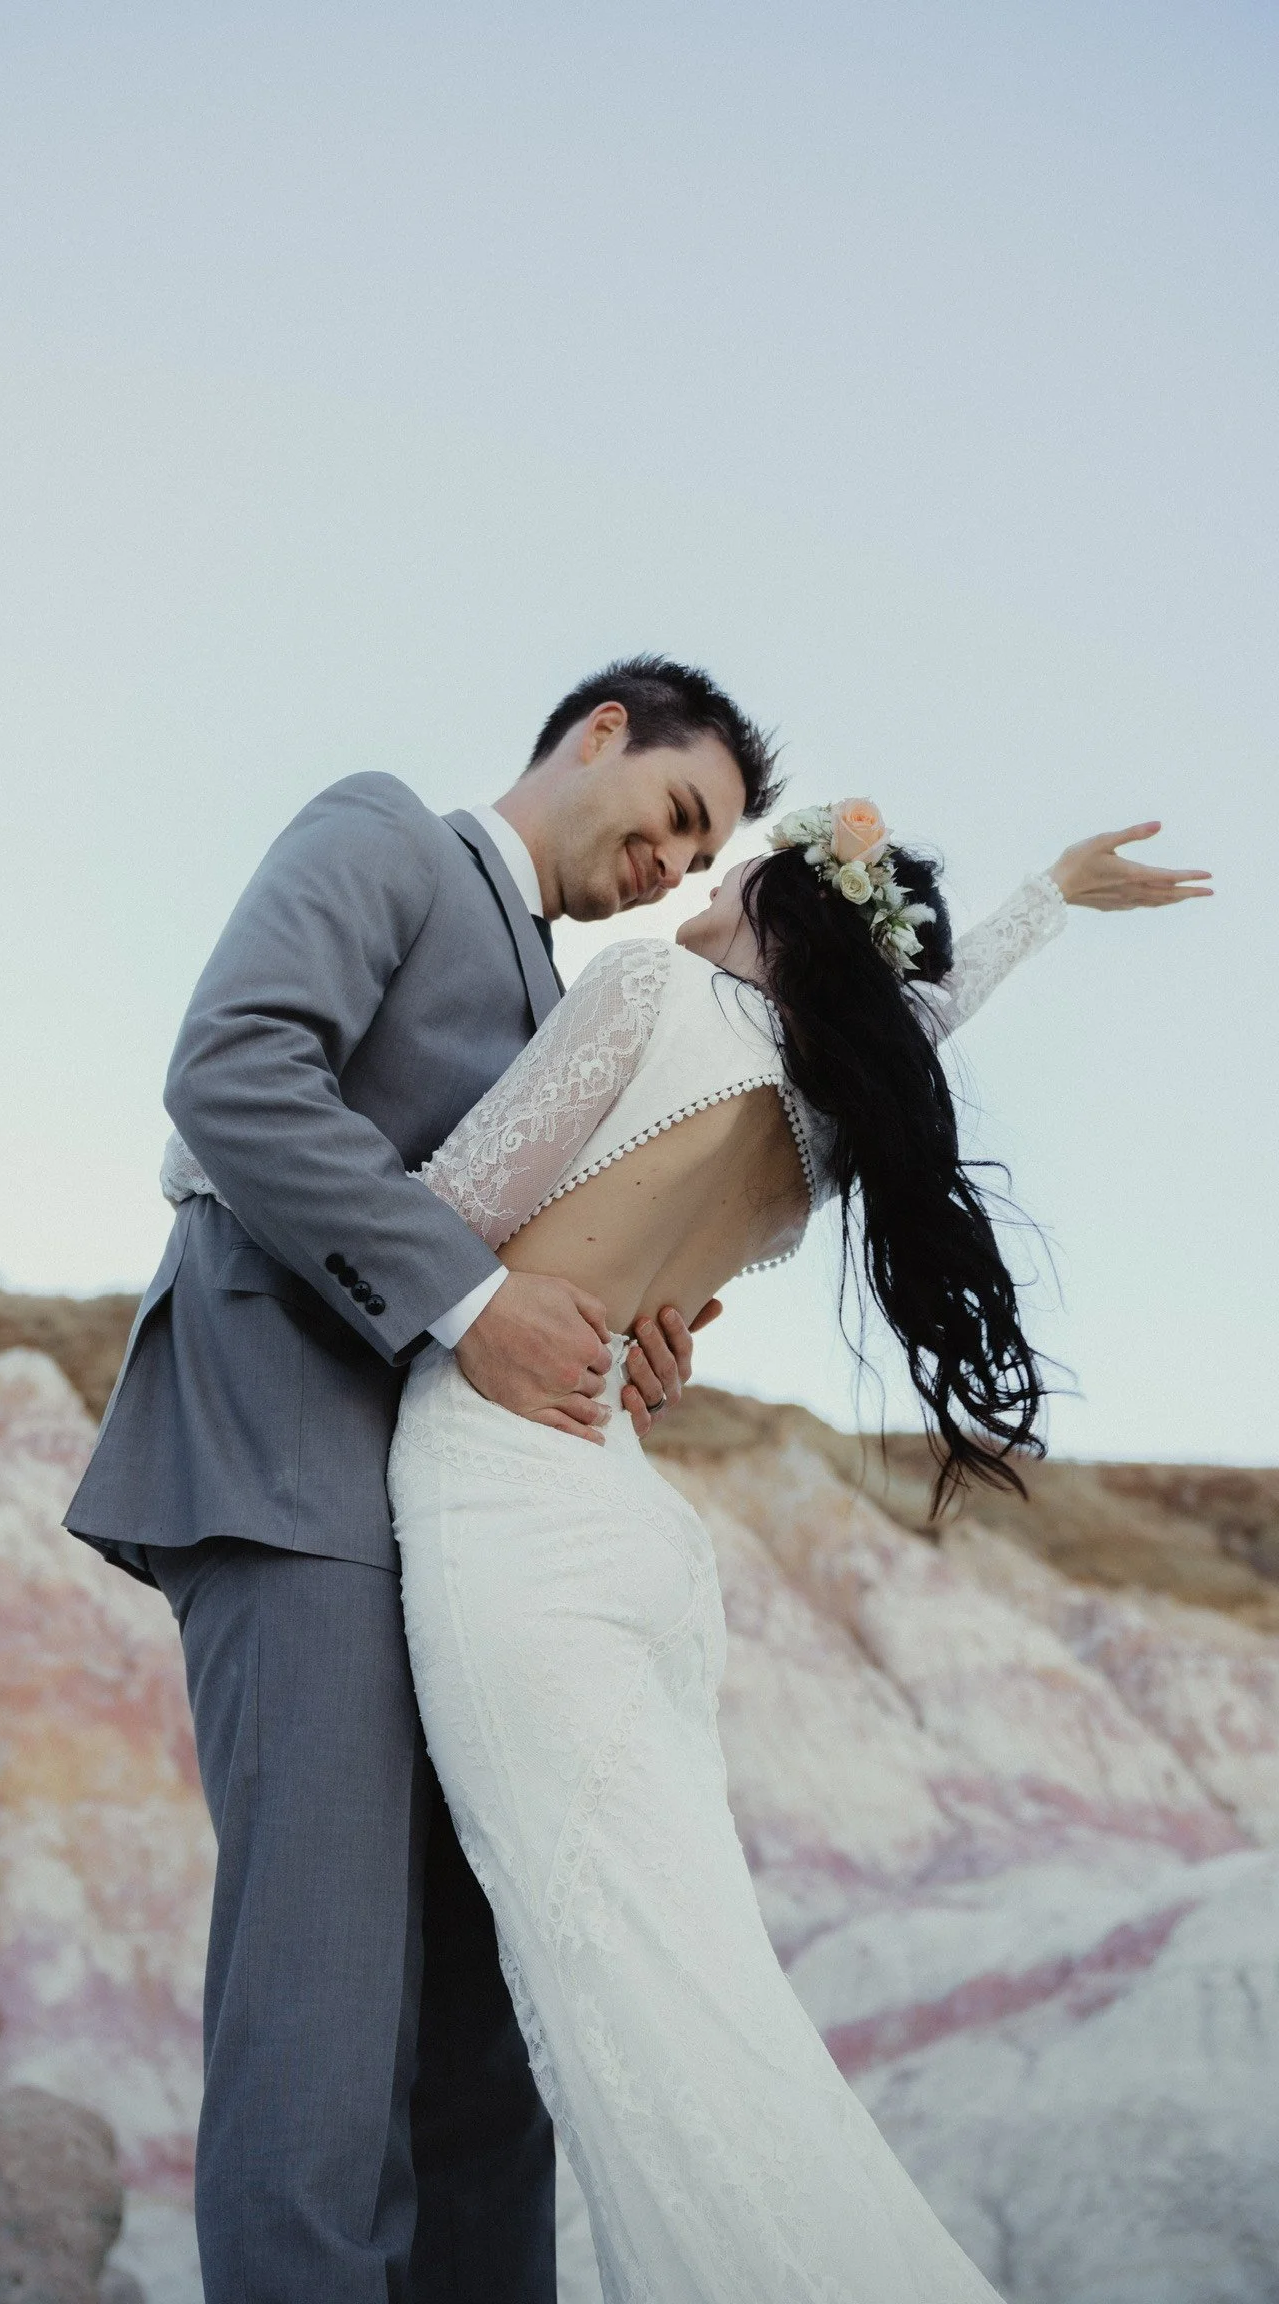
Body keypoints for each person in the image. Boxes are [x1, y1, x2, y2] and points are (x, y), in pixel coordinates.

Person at [385, 801, 1212, 2301]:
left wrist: (218, 1166)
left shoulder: (646, 990)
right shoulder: (826, 1118)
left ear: (783, 911)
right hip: (629, 1531)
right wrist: (1046, 900)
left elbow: (437, 1220)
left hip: (504, 1496)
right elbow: (910, 1036)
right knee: (710, 2020)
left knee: (661, 2048)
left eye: (741, 864)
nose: (706, 879)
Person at [64, 658, 783, 2301]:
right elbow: (235, 1070)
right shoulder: (383, 831)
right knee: (318, 2036)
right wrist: (475, 1305)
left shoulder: (572, 1002)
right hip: (292, 1481)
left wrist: (615, 1334)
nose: (675, 864)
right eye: (678, 812)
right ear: (600, 732)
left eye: (704, 853)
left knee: (486, 2053)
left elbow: (526, 1243)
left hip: (472, 1540)